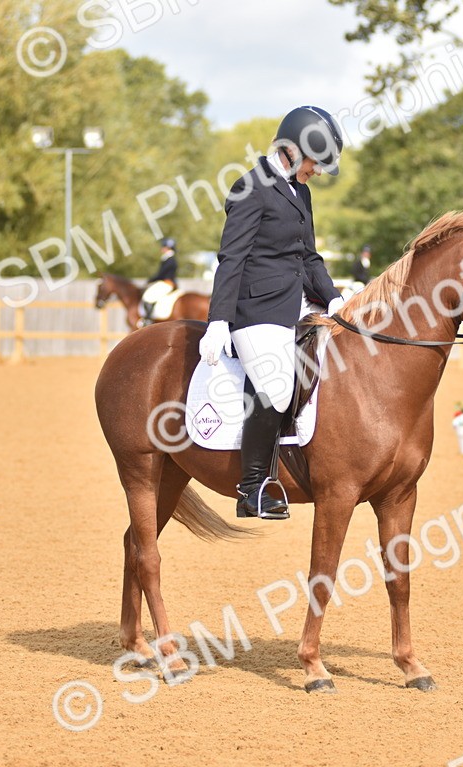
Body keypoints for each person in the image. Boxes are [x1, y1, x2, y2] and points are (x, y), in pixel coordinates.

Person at [197, 106, 347, 519]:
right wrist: (218, 321)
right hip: (256, 308)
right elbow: (232, 259)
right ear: (296, 152)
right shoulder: (251, 187)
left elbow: (309, 256)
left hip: (297, 302)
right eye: (317, 162)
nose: (317, 171)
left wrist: (333, 299)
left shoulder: (301, 191)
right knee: (278, 386)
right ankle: (252, 489)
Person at [140, 238, 179, 324]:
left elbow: (161, 274)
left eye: (163, 247)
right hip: (166, 282)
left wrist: (151, 280)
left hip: (166, 283)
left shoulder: (170, 260)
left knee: (148, 297)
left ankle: (148, 320)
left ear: (167, 248)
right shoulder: (168, 259)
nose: (162, 248)